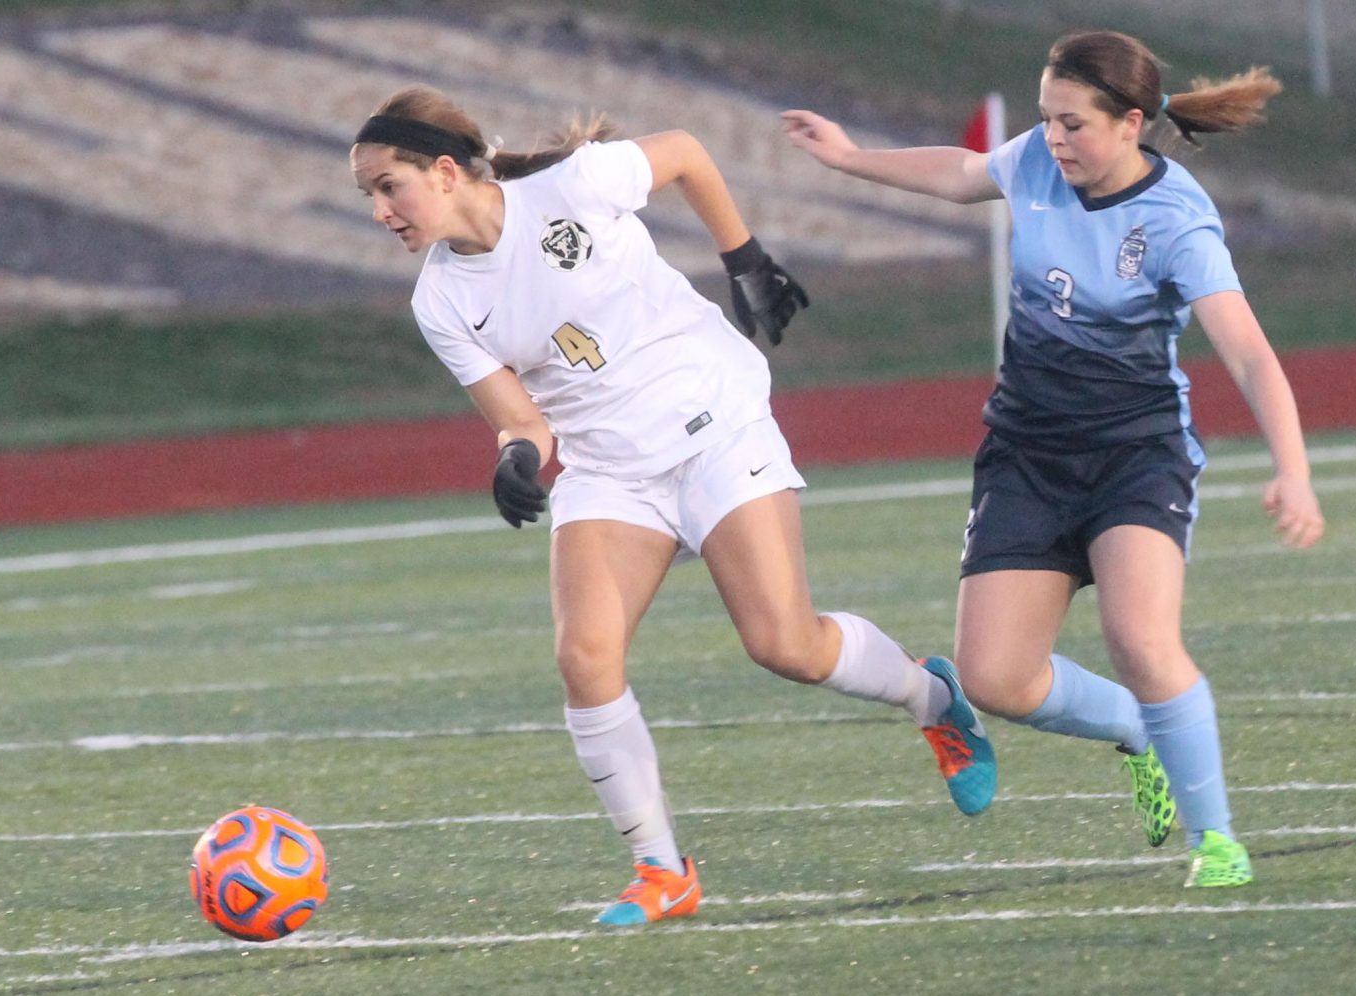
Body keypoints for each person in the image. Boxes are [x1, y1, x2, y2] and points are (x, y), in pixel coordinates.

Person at [350, 87, 997, 926]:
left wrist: (745, 259)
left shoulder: (572, 188)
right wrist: (515, 457)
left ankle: (930, 699)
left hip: (714, 425)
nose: (377, 211)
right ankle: (660, 870)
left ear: (443, 171)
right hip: (610, 471)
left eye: (386, 186)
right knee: (585, 658)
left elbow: (687, 151)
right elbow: (520, 417)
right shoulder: (438, 300)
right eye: (366, 195)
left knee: (786, 646)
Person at [783, 30, 1325, 888]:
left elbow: (1252, 356)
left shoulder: (1175, 221)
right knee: (994, 677)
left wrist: (1291, 470)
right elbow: (964, 174)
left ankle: (1214, 840)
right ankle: (1137, 729)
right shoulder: (1038, 158)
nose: (1053, 138)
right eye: (1046, 120)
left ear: (1129, 123)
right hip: (1026, 453)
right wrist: (849, 159)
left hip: (1134, 454)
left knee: (1140, 638)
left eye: (1071, 123)